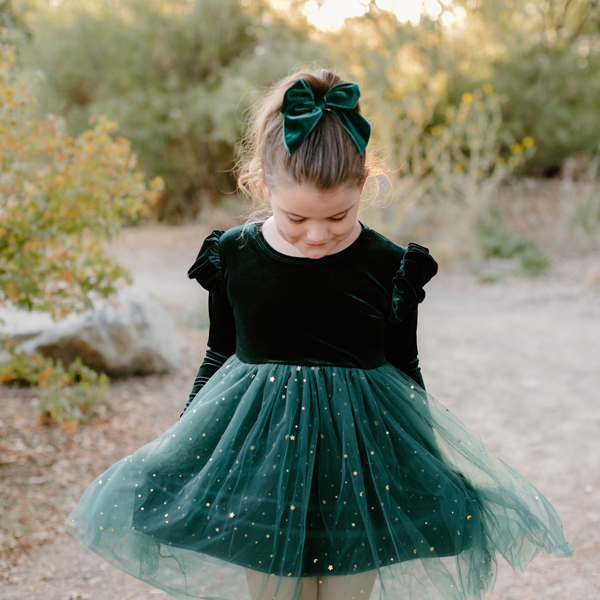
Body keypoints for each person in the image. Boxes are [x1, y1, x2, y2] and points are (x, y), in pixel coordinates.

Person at [65, 69, 574, 600]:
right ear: (263, 185)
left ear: (366, 185)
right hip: (260, 466)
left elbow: (405, 369)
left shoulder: (390, 266)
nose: (317, 235)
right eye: (296, 218)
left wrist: (427, 465)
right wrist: (183, 448)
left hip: (361, 466)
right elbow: (219, 354)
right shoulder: (234, 257)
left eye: (338, 216)